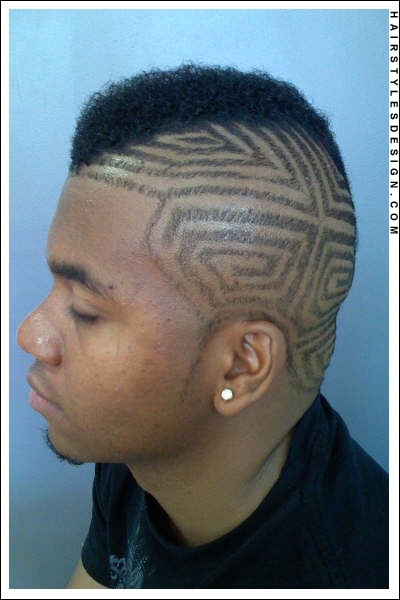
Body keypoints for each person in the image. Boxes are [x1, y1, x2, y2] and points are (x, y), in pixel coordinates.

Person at [17, 64, 388, 589]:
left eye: (85, 309)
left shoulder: (343, 575)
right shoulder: (141, 440)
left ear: (239, 366)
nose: (30, 335)